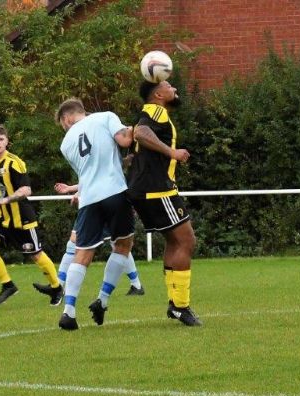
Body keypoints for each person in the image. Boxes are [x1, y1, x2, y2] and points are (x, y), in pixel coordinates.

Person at [55, 98, 135, 331]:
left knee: (82, 254)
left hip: (88, 199)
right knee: (122, 245)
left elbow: (89, 170)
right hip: (115, 192)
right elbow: (124, 139)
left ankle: (68, 312)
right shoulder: (105, 117)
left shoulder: (65, 144)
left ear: (67, 118)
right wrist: (138, 128)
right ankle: (103, 299)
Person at [128, 80, 201, 326]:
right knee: (187, 240)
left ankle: (175, 304)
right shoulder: (156, 110)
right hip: (157, 189)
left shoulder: (149, 112)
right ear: (159, 94)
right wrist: (172, 153)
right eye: (170, 86)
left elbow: (135, 140)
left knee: (174, 241)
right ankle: (180, 306)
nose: (175, 89)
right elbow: (141, 133)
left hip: (146, 189)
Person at [0, 125, 62, 306]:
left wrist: (5, 200)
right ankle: (8, 285)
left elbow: (26, 190)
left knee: (36, 255)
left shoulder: (14, 162)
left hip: (21, 217)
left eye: (1, 139)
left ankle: (56, 287)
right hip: (1, 217)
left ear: (7, 141)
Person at [52, 182, 145, 296]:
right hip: (95, 203)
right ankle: (136, 285)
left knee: (119, 245)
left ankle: (58, 287)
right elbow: (92, 178)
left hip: (103, 204)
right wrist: (73, 189)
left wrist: (77, 191)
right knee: (119, 246)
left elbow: (101, 178)